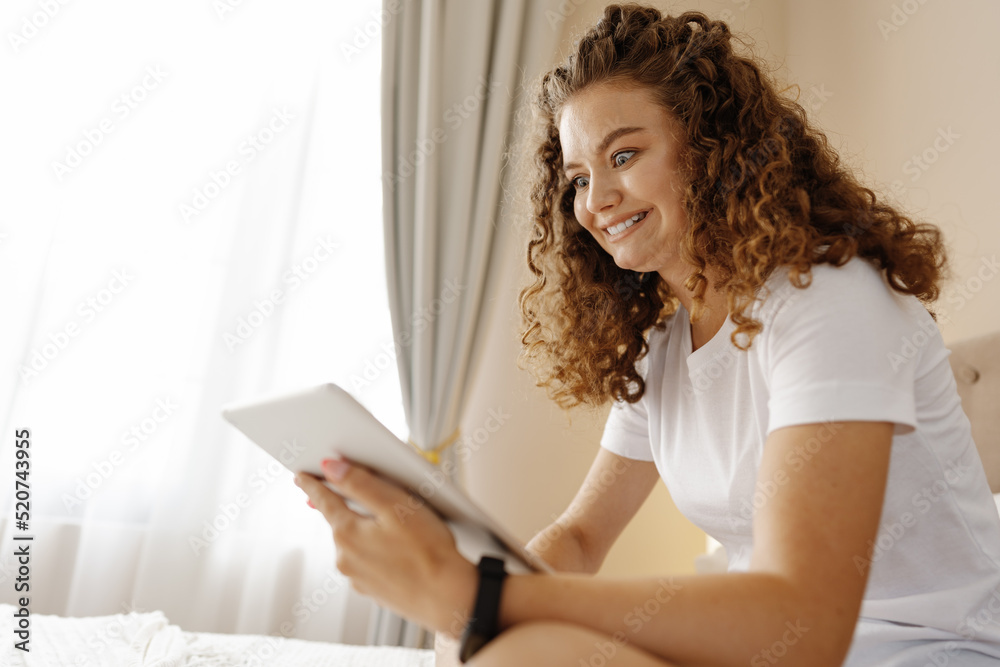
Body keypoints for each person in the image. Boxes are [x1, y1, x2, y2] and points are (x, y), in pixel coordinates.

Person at [294, 4, 1000, 665]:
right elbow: (577, 536)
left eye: (624, 156)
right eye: (577, 177)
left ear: (713, 151)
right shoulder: (667, 348)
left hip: (921, 648)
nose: (594, 202)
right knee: (500, 650)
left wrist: (486, 598)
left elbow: (806, 621)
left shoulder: (833, 303)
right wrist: (482, 595)